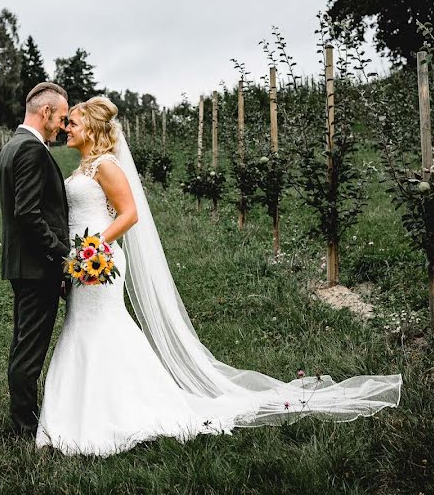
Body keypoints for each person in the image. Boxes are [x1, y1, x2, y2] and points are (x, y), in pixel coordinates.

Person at [35, 96, 402, 457]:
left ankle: (118, 410)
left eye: (74, 122)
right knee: (81, 325)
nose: (67, 127)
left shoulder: (106, 166)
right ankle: (82, 408)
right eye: (67, 123)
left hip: (99, 258)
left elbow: (129, 214)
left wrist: (94, 246)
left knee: (102, 325)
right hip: (82, 259)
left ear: (94, 128)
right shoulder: (82, 168)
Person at [0, 82, 70, 437]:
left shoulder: (13, 145)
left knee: (23, 343)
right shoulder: (30, 150)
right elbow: (27, 213)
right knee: (29, 350)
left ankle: (23, 417)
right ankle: (25, 426)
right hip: (37, 266)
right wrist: (61, 252)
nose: (62, 126)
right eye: (61, 118)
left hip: (23, 264)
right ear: (46, 113)